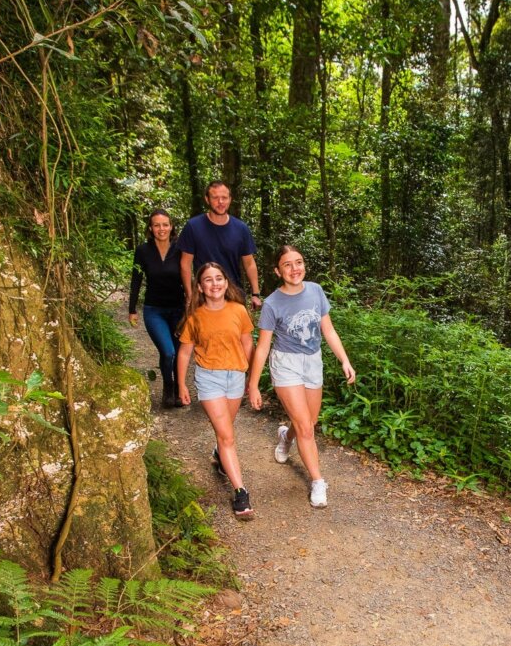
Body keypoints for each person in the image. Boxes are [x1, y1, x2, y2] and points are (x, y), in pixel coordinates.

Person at [247, 245, 356, 508]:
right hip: (286, 363)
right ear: (277, 270)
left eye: (299, 262)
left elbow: (328, 330)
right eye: (287, 264)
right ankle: (318, 481)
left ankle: (286, 438)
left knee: (310, 421)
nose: (295, 269)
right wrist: (253, 385)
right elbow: (262, 347)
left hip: (312, 360)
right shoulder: (272, 303)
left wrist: (344, 359)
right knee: (306, 427)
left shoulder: (316, 291)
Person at [177, 262, 257, 520]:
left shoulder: (239, 310)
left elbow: (247, 344)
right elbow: (185, 351)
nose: (214, 284)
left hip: (235, 376)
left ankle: (217, 453)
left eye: (219, 278)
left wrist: (250, 378)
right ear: (200, 286)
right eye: (208, 280)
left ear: (226, 283)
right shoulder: (195, 316)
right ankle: (240, 492)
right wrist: (181, 384)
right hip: (208, 378)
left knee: (226, 432)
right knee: (227, 436)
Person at [127, 209, 187, 408]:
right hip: (154, 310)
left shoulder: (181, 249)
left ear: (171, 227)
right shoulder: (143, 250)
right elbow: (136, 280)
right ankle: (168, 387)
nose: (161, 229)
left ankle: (179, 390)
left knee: (178, 352)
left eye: (165, 225)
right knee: (168, 351)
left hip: (179, 310)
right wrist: (132, 308)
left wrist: (194, 303)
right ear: (150, 228)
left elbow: (190, 276)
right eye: (156, 225)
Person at [177, 180, 264, 309]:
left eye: (224, 198)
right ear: (207, 199)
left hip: (234, 294)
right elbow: (185, 264)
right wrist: (190, 295)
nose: (220, 202)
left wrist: (255, 293)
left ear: (230, 199)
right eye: (215, 198)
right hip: (204, 295)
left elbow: (249, 263)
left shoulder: (241, 228)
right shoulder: (193, 227)